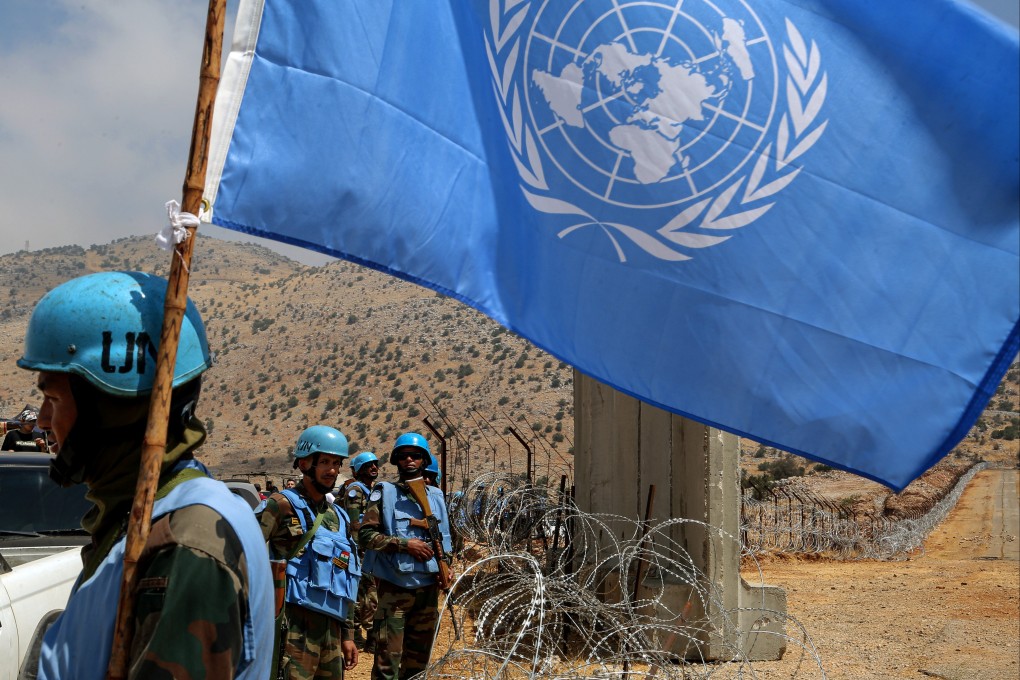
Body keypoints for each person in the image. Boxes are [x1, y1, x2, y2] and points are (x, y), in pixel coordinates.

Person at [16, 271, 273, 680]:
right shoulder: (144, 516)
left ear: (113, 409)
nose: (44, 421)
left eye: (52, 399)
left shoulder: (186, 541)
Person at [257, 425, 360, 679]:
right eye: (324, 461)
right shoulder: (281, 505)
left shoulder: (340, 516)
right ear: (304, 464)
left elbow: (345, 580)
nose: (332, 470)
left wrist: (347, 635)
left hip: (331, 630)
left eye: (336, 463)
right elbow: (249, 556)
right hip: (294, 626)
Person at [359, 433, 452, 680]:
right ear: (396, 460)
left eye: (416, 455)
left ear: (424, 460)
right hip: (395, 590)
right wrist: (404, 544)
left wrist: (447, 566)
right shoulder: (384, 492)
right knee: (387, 662)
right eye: (403, 456)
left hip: (427, 590)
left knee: (419, 662)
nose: (409, 460)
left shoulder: (436, 496)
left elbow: (444, 539)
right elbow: (365, 535)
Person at [341, 451, 381, 652]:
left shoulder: (369, 490)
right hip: (361, 550)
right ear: (358, 470)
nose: (374, 468)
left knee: (364, 592)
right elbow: (355, 524)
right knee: (365, 592)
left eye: (375, 464)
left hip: (368, 549)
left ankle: (363, 634)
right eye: (368, 465)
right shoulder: (355, 491)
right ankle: (362, 634)